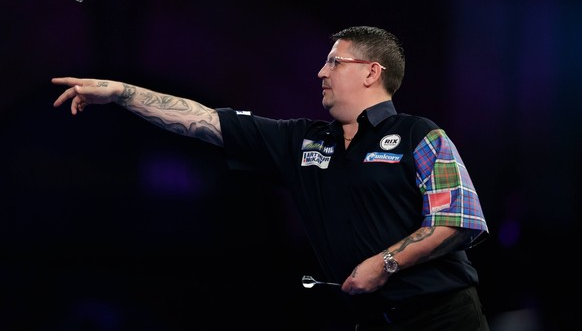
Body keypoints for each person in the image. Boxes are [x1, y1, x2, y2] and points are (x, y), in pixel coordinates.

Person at [52, 25, 490, 330]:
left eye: (335, 62)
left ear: (372, 71)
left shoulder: (419, 133)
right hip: (371, 320)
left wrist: (386, 262)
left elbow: (459, 220)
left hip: (444, 316)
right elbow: (203, 120)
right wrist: (122, 93)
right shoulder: (302, 141)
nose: (321, 71)